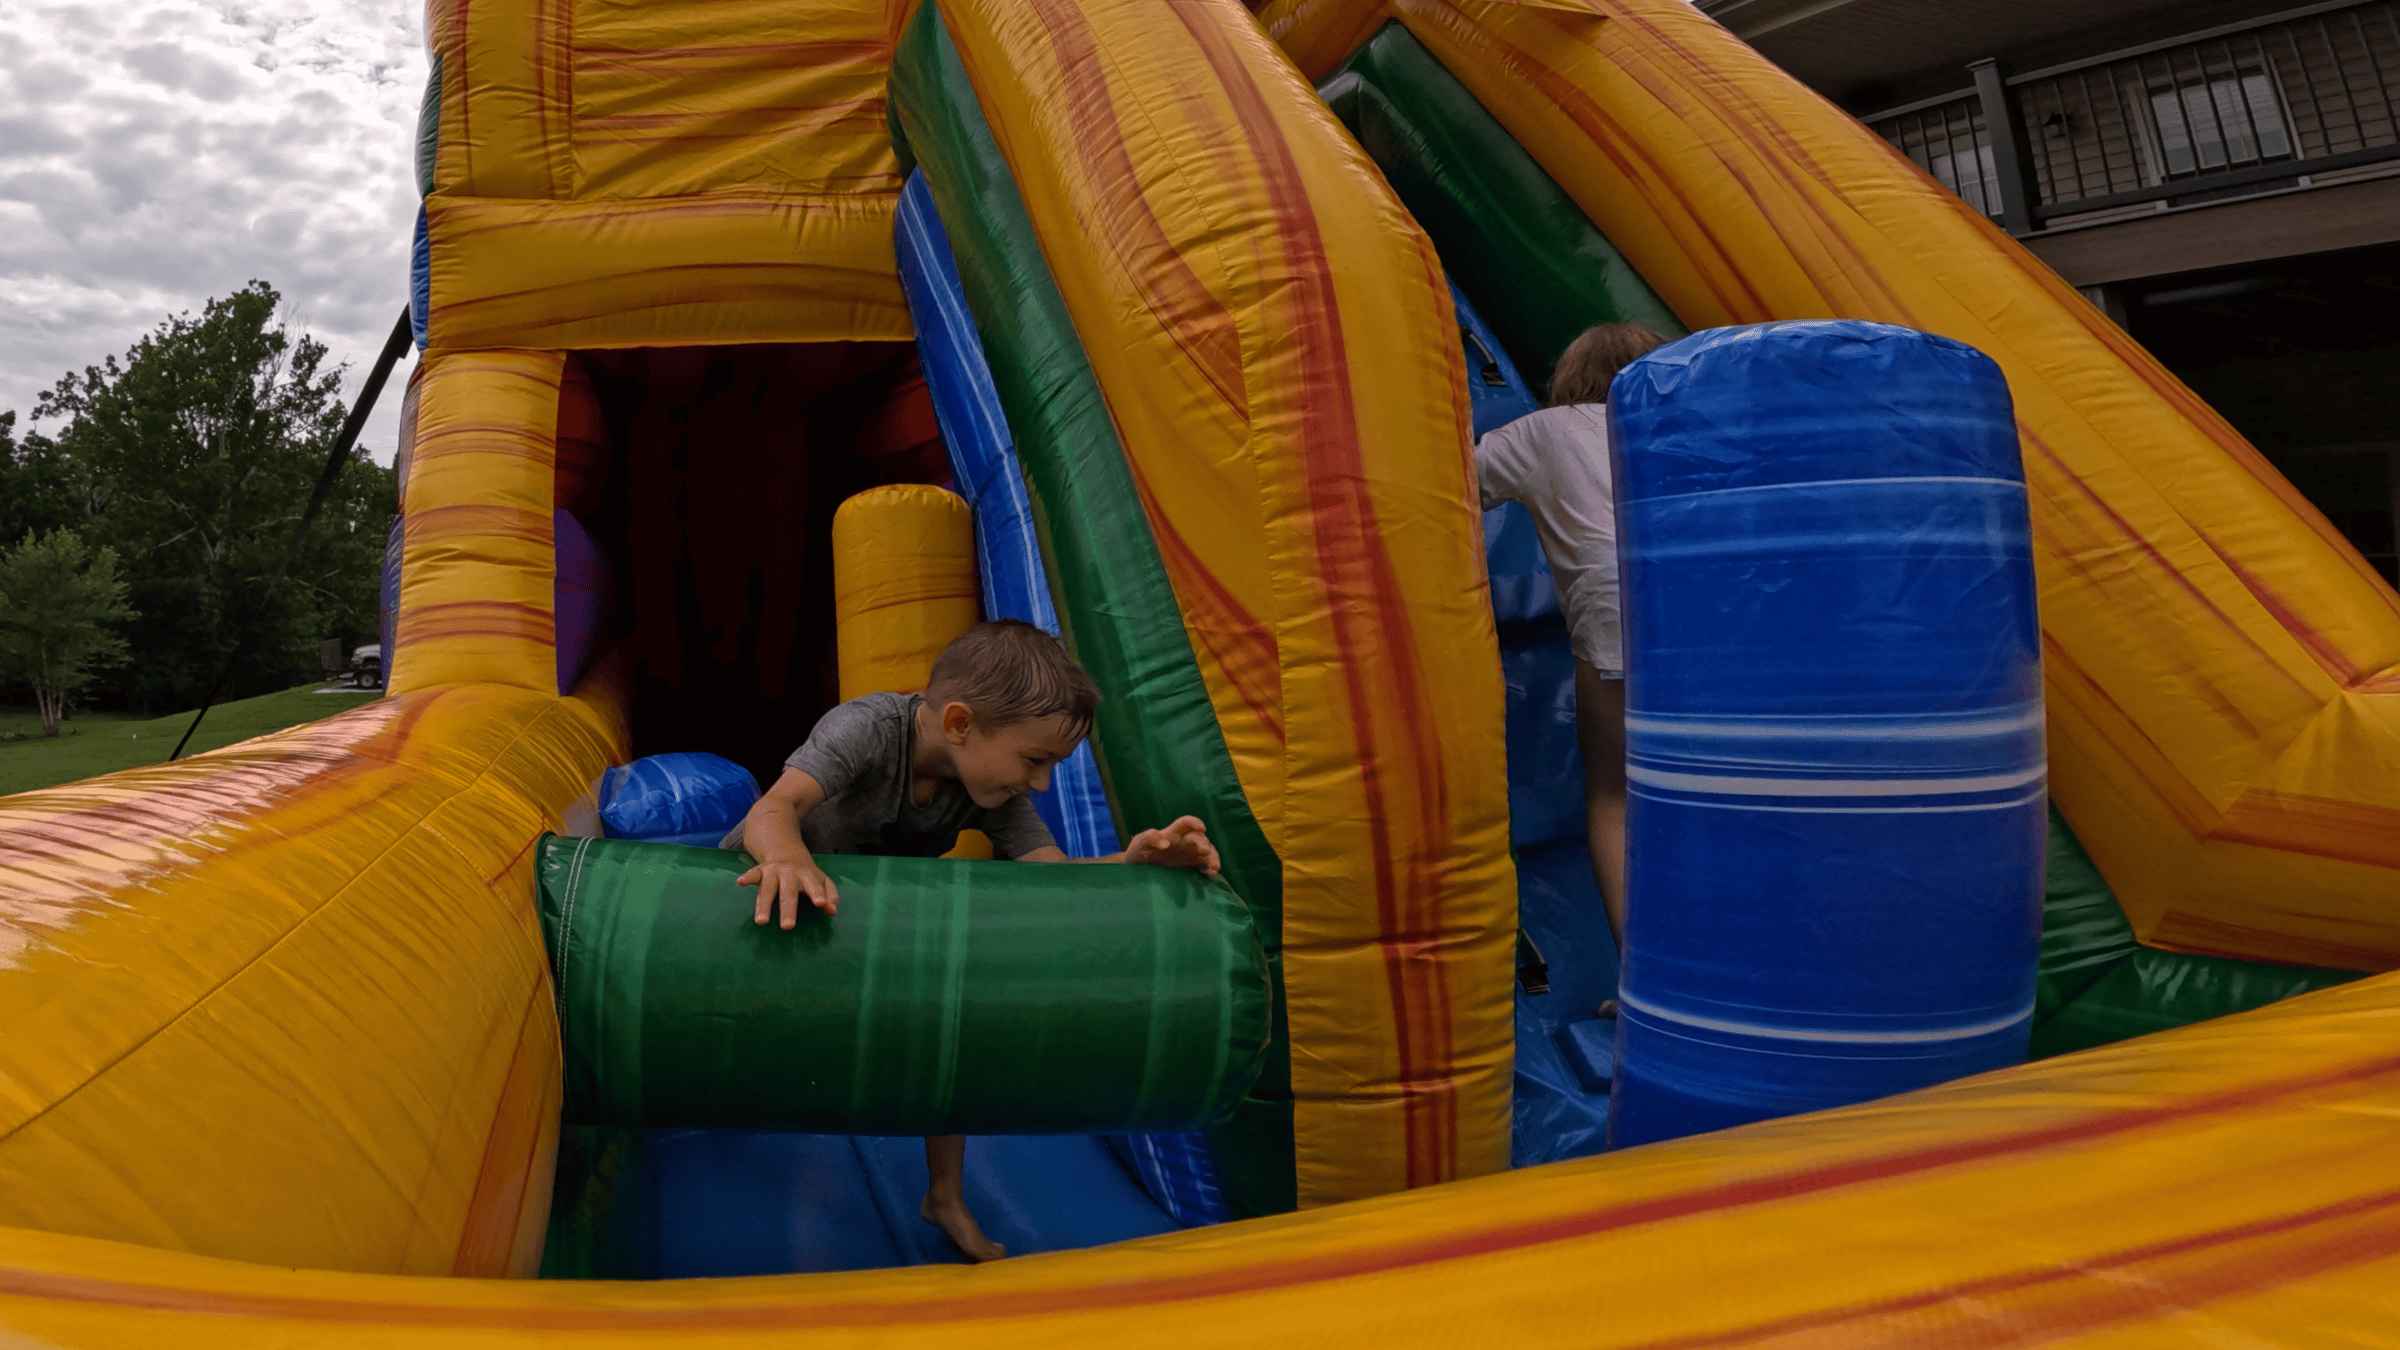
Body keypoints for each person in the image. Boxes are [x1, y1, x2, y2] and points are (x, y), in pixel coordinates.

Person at [729, 617, 1220, 1263]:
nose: (1041, 783)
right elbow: (774, 806)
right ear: (959, 723)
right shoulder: (869, 728)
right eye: (1035, 760)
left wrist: (1135, 864)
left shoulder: (983, 786)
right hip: (770, 895)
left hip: (863, 921)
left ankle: (945, 1197)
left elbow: (1052, 880)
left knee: (948, 1024)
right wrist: (789, 861)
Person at [1476, 322, 1672, 961]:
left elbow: (1447, 487)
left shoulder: (1544, 431)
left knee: (1614, 792)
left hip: (1619, 610)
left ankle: (1646, 980)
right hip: (1714, 610)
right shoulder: (1683, 429)